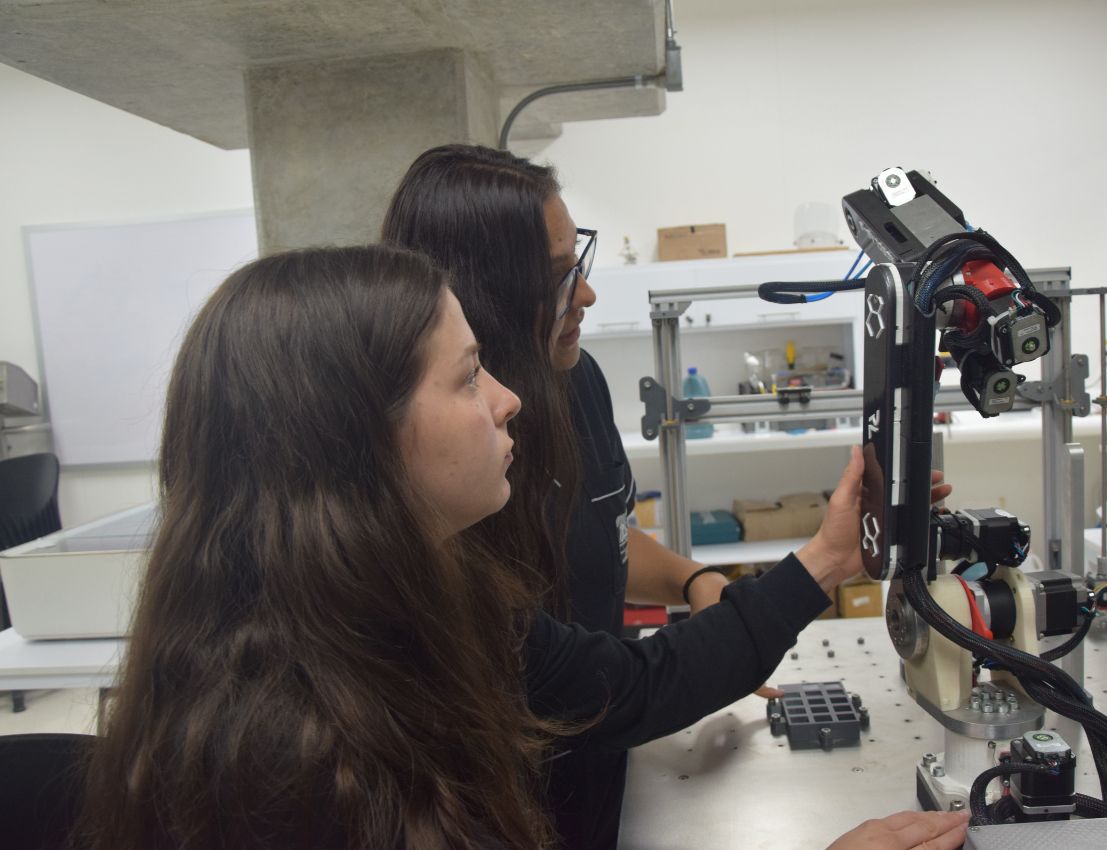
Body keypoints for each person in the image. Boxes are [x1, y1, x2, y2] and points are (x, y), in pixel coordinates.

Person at [77, 246, 967, 850]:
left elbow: (628, 687)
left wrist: (827, 558)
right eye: (469, 377)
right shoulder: (291, 766)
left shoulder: (430, 608)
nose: (508, 400)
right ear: (357, 440)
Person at [381, 145, 953, 850]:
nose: (585, 296)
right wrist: (827, 560)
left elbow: (604, 532)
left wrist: (694, 579)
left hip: (603, 776)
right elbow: (623, 686)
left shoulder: (576, 382)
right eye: (558, 278)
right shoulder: (441, 533)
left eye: (577, 268)